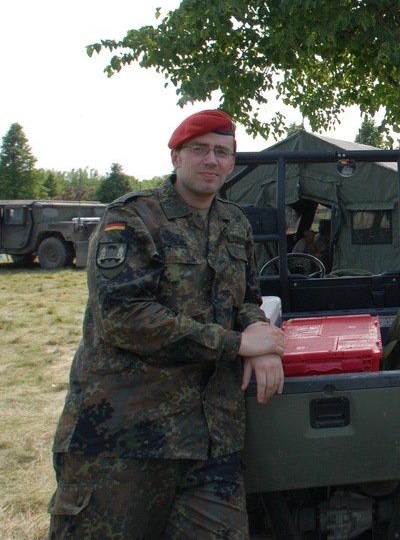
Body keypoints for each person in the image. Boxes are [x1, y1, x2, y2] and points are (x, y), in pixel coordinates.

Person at [47, 109, 286, 539]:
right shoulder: (134, 218)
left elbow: (248, 299)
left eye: (222, 152)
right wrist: (236, 345)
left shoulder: (235, 223)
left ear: (232, 162)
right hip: (125, 441)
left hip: (212, 442)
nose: (211, 160)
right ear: (176, 156)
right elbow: (125, 317)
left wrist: (264, 340)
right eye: (199, 149)